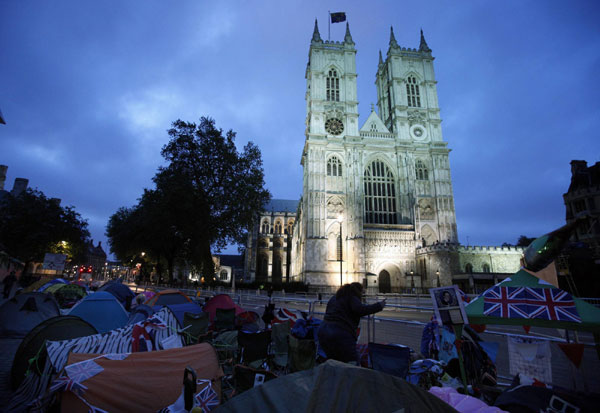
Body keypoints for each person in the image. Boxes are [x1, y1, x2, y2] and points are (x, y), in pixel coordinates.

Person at [318, 282, 386, 363]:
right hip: (340, 334)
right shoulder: (352, 297)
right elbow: (360, 310)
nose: (362, 295)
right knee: (352, 362)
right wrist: (379, 305)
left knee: (334, 362)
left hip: (323, 331)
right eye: (362, 292)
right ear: (358, 291)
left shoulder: (335, 297)